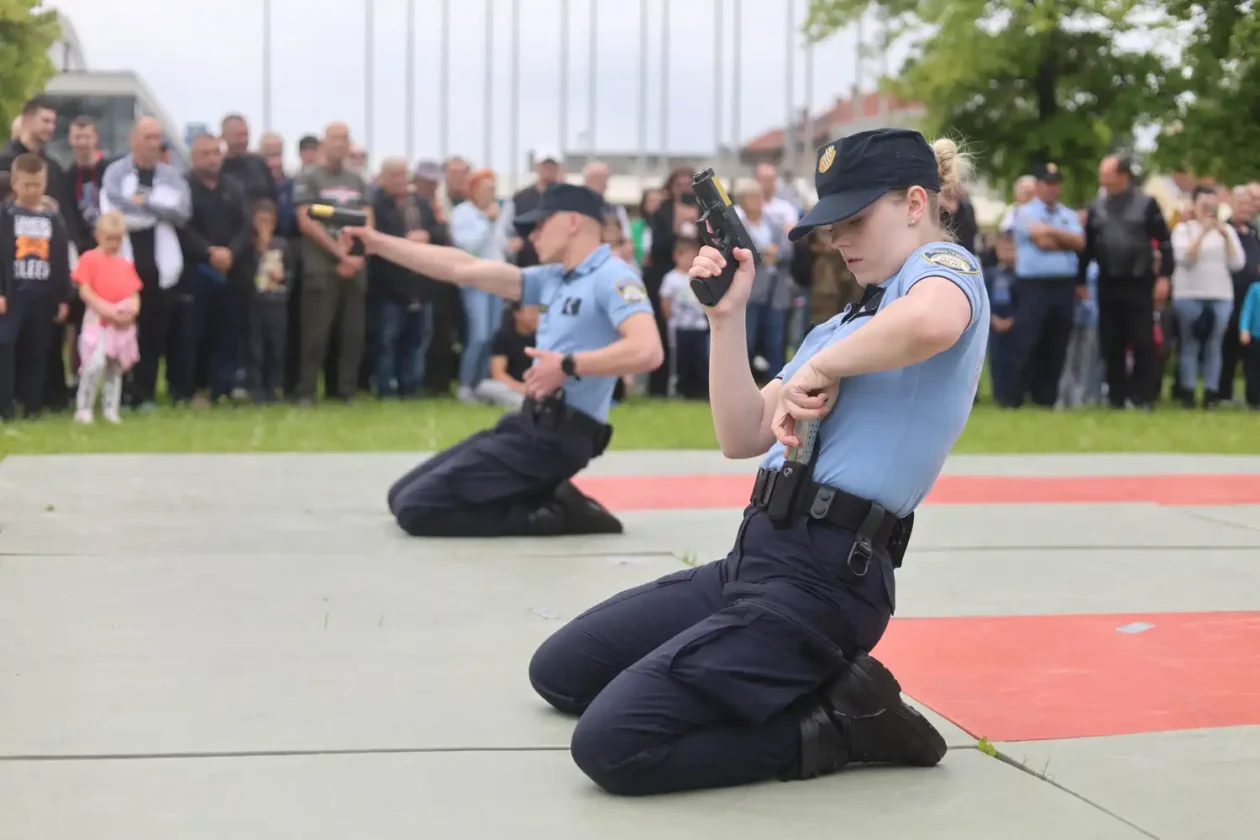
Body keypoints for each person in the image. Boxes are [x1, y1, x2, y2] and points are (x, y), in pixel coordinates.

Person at [527, 128, 989, 797]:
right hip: (756, 561)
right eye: (834, 224)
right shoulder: (840, 327)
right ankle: (791, 688)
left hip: (827, 582)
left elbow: (932, 324)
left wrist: (825, 366)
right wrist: (727, 319)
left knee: (612, 745)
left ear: (915, 203)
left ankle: (844, 724)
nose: (841, 240)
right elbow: (742, 434)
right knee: (562, 671)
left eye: (858, 219)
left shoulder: (944, 269)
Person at [341, 183, 664, 537]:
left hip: (561, 437)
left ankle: (559, 514)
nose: (532, 236)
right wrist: (376, 242)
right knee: (399, 495)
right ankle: (543, 490)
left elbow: (648, 350)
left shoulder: (612, 277)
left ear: (573, 222)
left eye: (541, 225)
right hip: (531, 423)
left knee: (417, 509)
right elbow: (463, 268)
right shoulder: (556, 278)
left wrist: (570, 364)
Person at [0, 153, 72, 421]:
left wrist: (64, 298)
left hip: (43, 294)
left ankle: (32, 406)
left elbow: (62, 259)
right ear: (15, 183)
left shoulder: (54, 219)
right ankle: (5, 407)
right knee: (5, 347)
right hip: (13, 294)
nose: (33, 191)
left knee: (37, 351)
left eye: (38, 184)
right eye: (27, 184)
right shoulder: (5, 216)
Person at [72, 212, 142, 424]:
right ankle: (84, 408)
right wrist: (107, 311)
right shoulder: (89, 259)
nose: (114, 244)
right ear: (98, 236)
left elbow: (134, 293)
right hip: (98, 319)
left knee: (115, 366)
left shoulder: (124, 263)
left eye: (119, 239)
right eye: (110, 238)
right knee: (94, 363)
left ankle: (111, 408)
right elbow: (85, 291)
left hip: (120, 323)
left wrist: (132, 312)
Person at [473, 301, 537, 408]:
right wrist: (520, 387)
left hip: (535, 387)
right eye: (531, 312)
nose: (536, 317)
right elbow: (498, 373)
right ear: (517, 313)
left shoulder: (543, 338)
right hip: (509, 385)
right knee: (484, 387)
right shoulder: (503, 336)